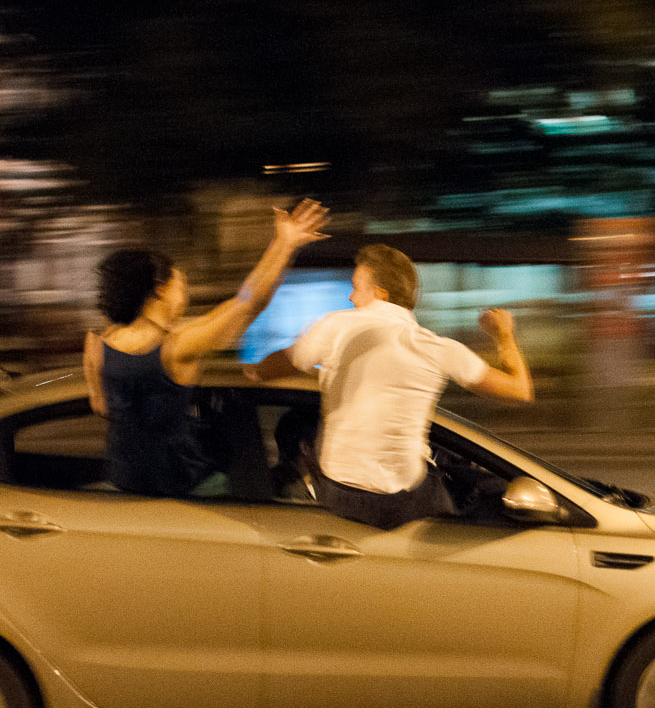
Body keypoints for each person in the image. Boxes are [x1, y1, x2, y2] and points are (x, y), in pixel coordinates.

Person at [247, 243, 533, 529]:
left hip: (340, 496)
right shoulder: (438, 348)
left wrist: (260, 365)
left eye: (357, 287)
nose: (351, 296)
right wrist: (504, 336)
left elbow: (268, 369)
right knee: (467, 491)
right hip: (406, 504)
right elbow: (520, 391)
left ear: (380, 292)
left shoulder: (335, 327)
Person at [83, 199, 330, 496]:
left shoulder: (96, 344)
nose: (184, 295)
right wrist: (284, 244)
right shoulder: (177, 347)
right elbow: (249, 301)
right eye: (181, 285)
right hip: (181, 491)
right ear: (160, 289)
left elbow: (102, 407)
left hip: (123, 484)